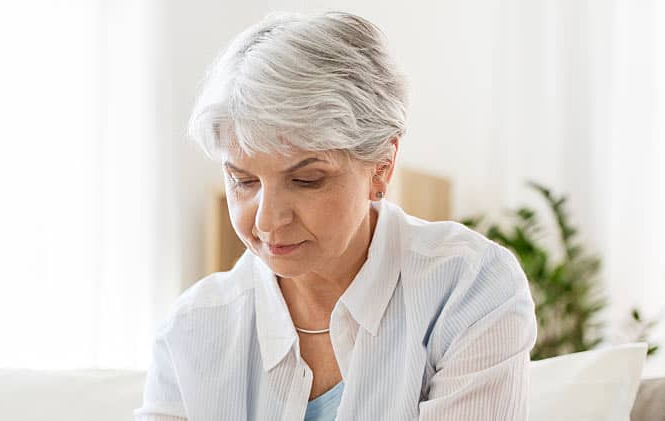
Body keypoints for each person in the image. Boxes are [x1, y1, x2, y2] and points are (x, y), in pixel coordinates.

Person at [134, 11, 537, 421]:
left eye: (307, 179)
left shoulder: (468, 288)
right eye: (243, 181)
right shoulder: (193, 329)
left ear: (381, 165)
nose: (268, 221)